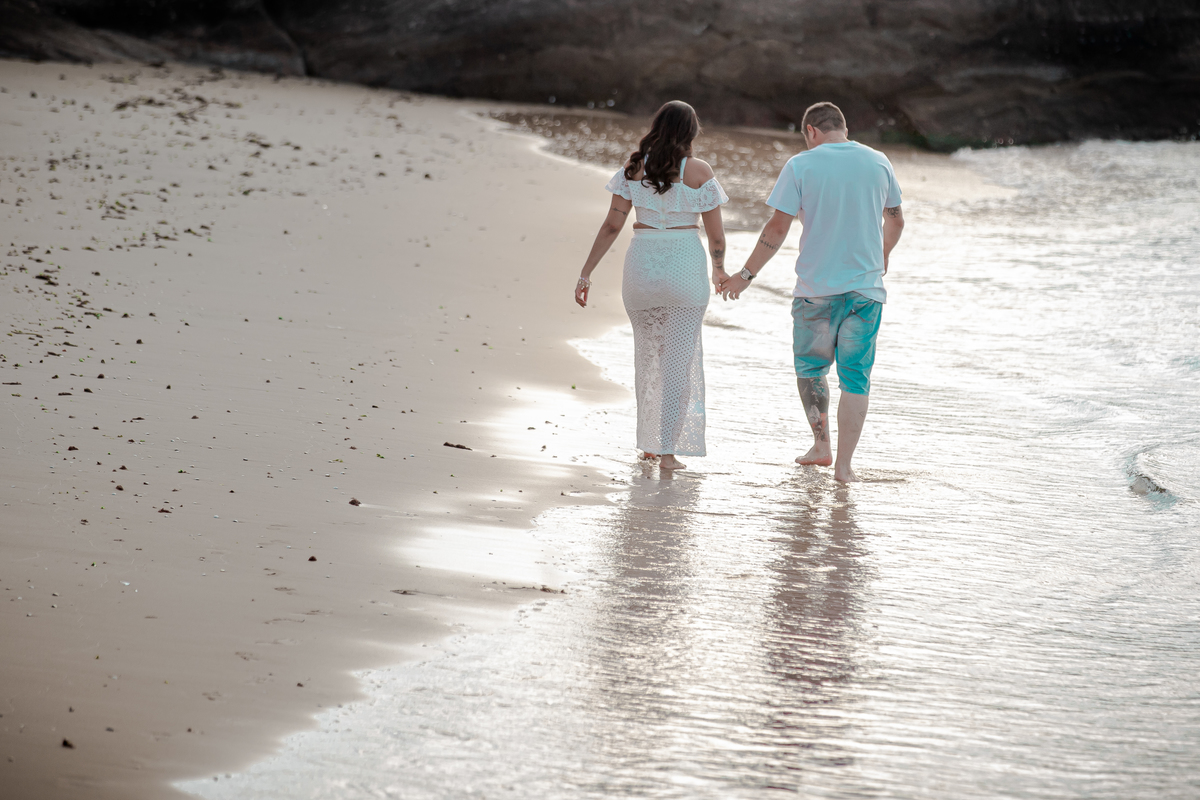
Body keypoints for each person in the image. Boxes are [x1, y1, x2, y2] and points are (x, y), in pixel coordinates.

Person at [718, 101, 905, 482]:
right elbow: (896, 219)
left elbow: (777, 228)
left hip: (815, 291)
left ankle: (821, 445)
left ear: (811, 132)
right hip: (865, 292)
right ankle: (845, 467)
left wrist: (744, 275)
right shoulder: (878, 161)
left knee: (811, 370)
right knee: (856, 379)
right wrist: (882, 255)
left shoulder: (801, 165)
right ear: (844, 129)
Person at [575, 100, 729, 470]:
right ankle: (668, 453)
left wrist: (586, 273)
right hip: (685, 270)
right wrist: (719, 271)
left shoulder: (632, 168)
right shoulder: (700, 171)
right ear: (691, 133)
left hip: (641, 269)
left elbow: (612, 225)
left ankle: (648, 445)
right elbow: (716, 235)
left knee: (647, 359)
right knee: (678, 364)